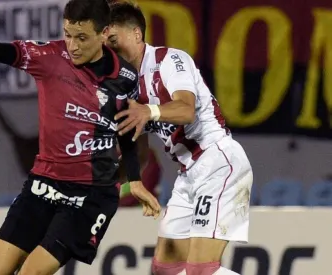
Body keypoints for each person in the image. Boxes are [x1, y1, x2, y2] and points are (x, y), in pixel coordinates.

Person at [0, 0, 161, 274]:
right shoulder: (50, 56)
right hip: (44, 185)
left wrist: (134, 180)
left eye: (82, 37)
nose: (72, 45)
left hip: (90, 196)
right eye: (67, 34)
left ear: (103, 33)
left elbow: (126, 132)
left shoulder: (125, 77)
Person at [106, 2, 253, 275]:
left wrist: (148, 111)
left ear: (137, 34)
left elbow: (185, 110)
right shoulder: (127, 86)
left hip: (218, 161)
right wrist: (107, 184)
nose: (110, 51)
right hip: (188, 176)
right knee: (164, 269)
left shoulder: (170, 60)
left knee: (201, 270)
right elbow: (138, 155)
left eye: (114, 40)